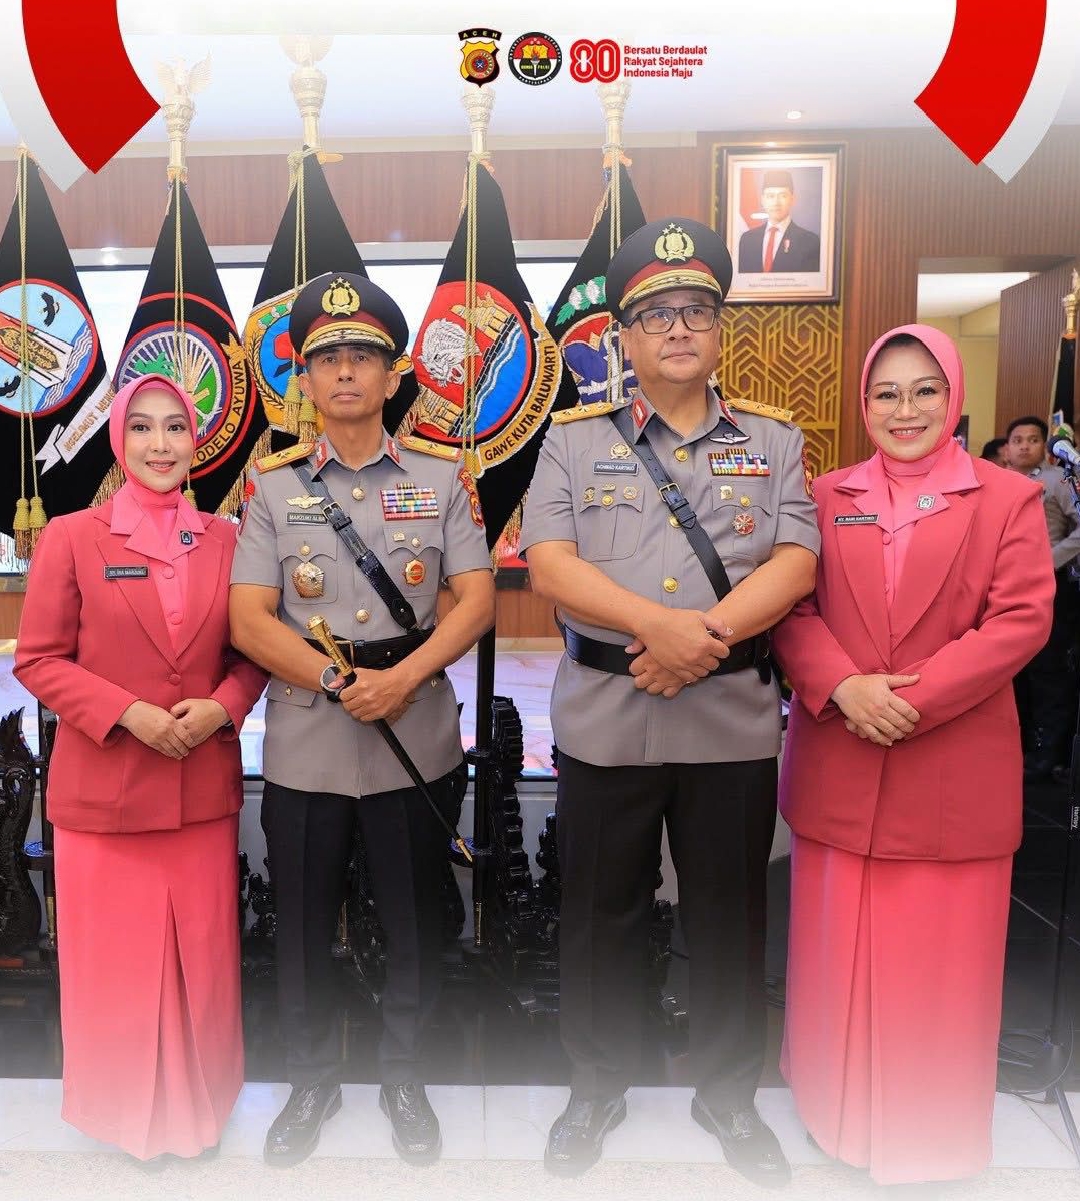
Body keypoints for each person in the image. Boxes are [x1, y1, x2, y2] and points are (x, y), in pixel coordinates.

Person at [521, 217, 819, 1186]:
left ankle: (729, 1094)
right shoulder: (575, 441)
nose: (678, 327)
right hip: (608, 721)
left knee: (729, 915)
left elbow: (797, 559)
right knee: (598, 913)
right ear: (625, 337)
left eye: (696, 309)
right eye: (656, 314)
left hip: (727, 722)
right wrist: (662, 627)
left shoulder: (773, 438)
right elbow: (549, 561)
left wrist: (702, 640)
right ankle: (596, 1085)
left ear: (720, 327)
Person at [773, 325, 1055, 1185]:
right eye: (887, 392)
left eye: (925, 389)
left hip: (950, 772)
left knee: (937, 968)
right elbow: (790, 608)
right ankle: (833, 1119)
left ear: (954, 396)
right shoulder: (827, 494)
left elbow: (1021, 619)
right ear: (864, 402)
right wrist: (843, 687)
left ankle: (928, 1140)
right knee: (835, 958)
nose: (906, 409)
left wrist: (904, 699)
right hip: (840, 758)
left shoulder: (1007, 497)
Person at [229, 271, 494, 1168]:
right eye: (328, 358)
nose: (345, 371)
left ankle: (404, 1076)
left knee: (415, 915)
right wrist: (339, 682)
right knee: (302, 921)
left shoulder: (442, 477)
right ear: (304, 378)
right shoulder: (271, 488)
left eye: (363, 356)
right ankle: (311, 1079)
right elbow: (249, 619)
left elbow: (475, 599)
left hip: (413, 732)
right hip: (310, 735)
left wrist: (403, 678)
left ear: (393, 373)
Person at [14, 374, 267, 1166]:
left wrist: (222, 707)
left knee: (201, 962)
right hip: (105, 796)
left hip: (198, 792)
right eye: (143, 428)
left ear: (197, 441)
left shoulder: (228, 539)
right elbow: (38, 659)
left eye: (176, 427)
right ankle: (124, 1118)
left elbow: (253, 654)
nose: (161, 444)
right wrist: (128, 712)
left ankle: (199, 1116)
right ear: (119, 441)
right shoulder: (71, 537)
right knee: (117, 968)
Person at [1004, 415, 1080, 776]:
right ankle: (1012, 750)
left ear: (1044, 446)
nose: (1024, 446)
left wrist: (1049, 561)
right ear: (1006, 448)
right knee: (1009, 675)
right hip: (1003, 588)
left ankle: (1047, 756)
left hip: (1048, 586)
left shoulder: (1058, 481)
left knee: (1047, 673)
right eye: (1017, 440)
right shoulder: (995, 482)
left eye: (1033, 440)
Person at [737, 170, 821, 274]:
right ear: (762, 200)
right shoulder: (747, 239)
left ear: (793, 199)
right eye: (770, 196)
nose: (776, 202)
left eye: (783, 196)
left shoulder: (809, 241)